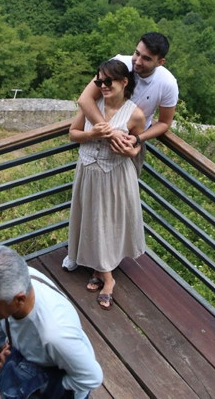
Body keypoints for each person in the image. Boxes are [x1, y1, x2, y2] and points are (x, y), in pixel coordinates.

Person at [64, 59, 146, 310]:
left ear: (124, 82)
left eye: (107, 81)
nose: (102, 86)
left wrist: (131, 151)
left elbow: (138, 144)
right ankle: (102, 271)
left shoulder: (135, 114)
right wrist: (92, 134)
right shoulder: (92, 106)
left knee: (108, 221)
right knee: (91, 219)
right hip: (88, 171)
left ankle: (105, 276)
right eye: (99, 81)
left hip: (114, 176)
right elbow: (72, 133)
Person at [0, 245, 102, 399]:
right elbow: (3, 317)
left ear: (19, 299)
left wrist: (48, 387)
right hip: (34, 356)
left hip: (60, 377)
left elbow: (91, 378)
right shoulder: (21, 279)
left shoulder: (56, 335)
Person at [77, 32, 178, 175]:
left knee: (124, 190)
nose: (137, 61)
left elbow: (164, 123)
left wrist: (137, 139)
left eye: (146, 58)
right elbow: (85, 99)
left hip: (130, 142)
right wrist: (111, 134)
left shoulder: (168, 84)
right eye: (137, 53)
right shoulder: (119, 63)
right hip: (97, 139)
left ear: (160, 62)